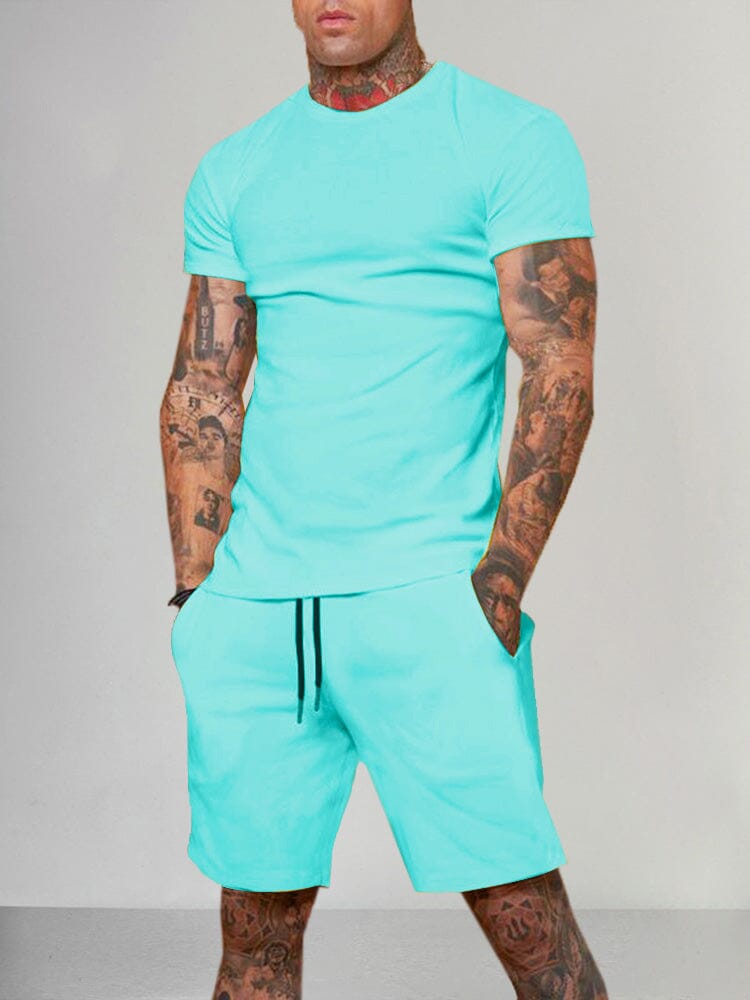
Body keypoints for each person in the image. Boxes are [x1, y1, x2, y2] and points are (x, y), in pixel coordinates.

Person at [159, 1, 607, 997]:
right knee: (253, 947)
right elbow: (204, 381)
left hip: (429, 603)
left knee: (536, 942)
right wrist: (199, 593)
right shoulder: (237, 166)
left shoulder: (508, 138)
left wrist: (498, 584)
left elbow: (558, 365)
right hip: (259, 615)